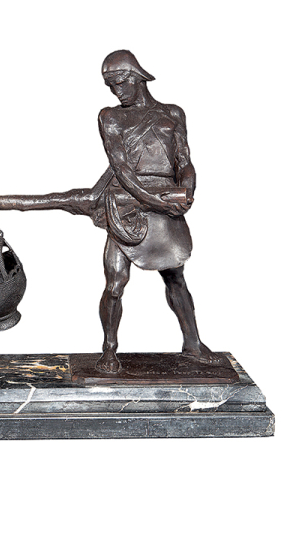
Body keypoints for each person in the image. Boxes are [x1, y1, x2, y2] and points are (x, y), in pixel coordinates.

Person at [93, 50, 221, 372]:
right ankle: (109, 350)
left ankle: (193, 344)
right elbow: (122, 170)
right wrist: (153, 201)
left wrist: (187, 190)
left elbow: (184, 161)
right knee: (115, 284)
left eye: (120, 82)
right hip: (128, 206)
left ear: (136, 76)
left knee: (176, 279)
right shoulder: (110, 117)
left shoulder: (172, 113)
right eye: (110, 85)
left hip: (166, 203)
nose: (116, 91)